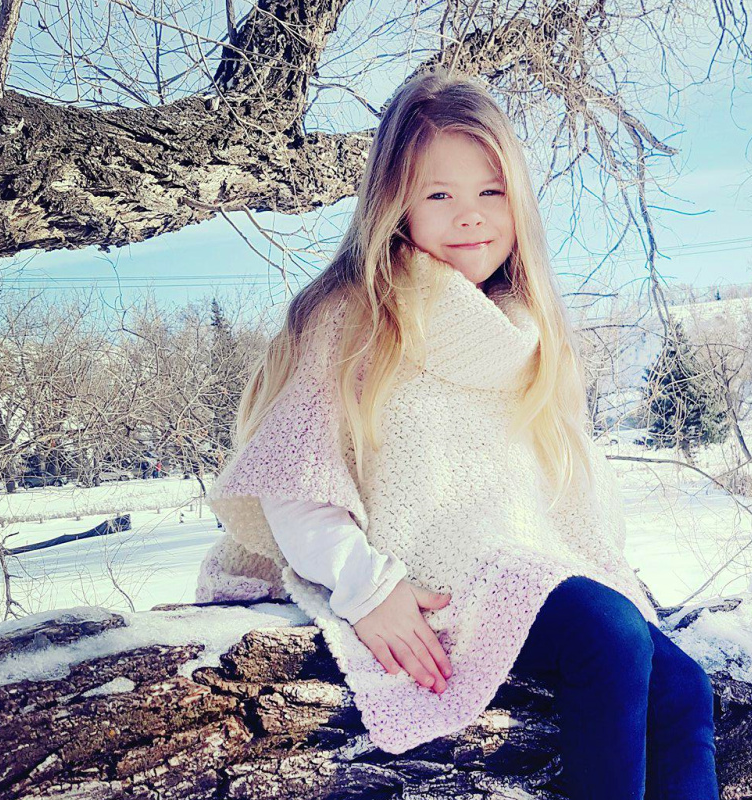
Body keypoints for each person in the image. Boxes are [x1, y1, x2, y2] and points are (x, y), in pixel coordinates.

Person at [194, 67, 719, 799]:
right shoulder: (353, 317)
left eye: (491, 192)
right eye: (439, 194)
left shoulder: (524, 332)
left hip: (522, 571)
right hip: (429, 586)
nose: (470, 216)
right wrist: (368, 588)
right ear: (393, 204)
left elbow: (553, 496)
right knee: (609, 637)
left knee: (685, 690)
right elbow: (296, 478)